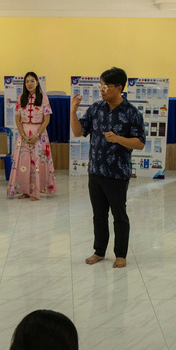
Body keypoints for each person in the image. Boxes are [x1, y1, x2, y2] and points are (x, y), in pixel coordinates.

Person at [69, 67, 146, 269]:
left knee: (119, 215)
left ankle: (121, 254)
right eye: (100, 85)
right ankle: (99, 251)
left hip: (118, 173)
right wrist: (73, 112)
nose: (102, 89)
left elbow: (139, 143)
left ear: (119, 87)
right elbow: (78, 132)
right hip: (96, 171)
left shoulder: (131, 112)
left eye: (106, 86)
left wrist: (118, 138)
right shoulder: (96, 109)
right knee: (99, 215)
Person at [7, 71, 57, 201]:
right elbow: (17, 119)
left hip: (39, 134)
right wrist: (23, 135)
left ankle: (36, 192)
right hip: (23, 134)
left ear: (37, 82)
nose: (29, 84)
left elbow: (46, 120)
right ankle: (25, 191)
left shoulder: (44, 97)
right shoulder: (20, 98)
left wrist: (37, 135)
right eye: (27, 81)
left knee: (37, 162)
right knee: (23, 163)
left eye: (32, 81)